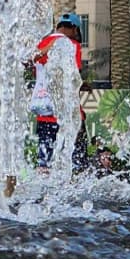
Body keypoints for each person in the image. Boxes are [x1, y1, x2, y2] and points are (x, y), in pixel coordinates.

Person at [32, 11, 89, 171]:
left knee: (45, 165)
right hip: (68, 115)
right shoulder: (71, 44)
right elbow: (72, 75)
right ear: (74, 29)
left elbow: (38, 70)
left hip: (45, 114)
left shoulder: (43, 43)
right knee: (78, 164)